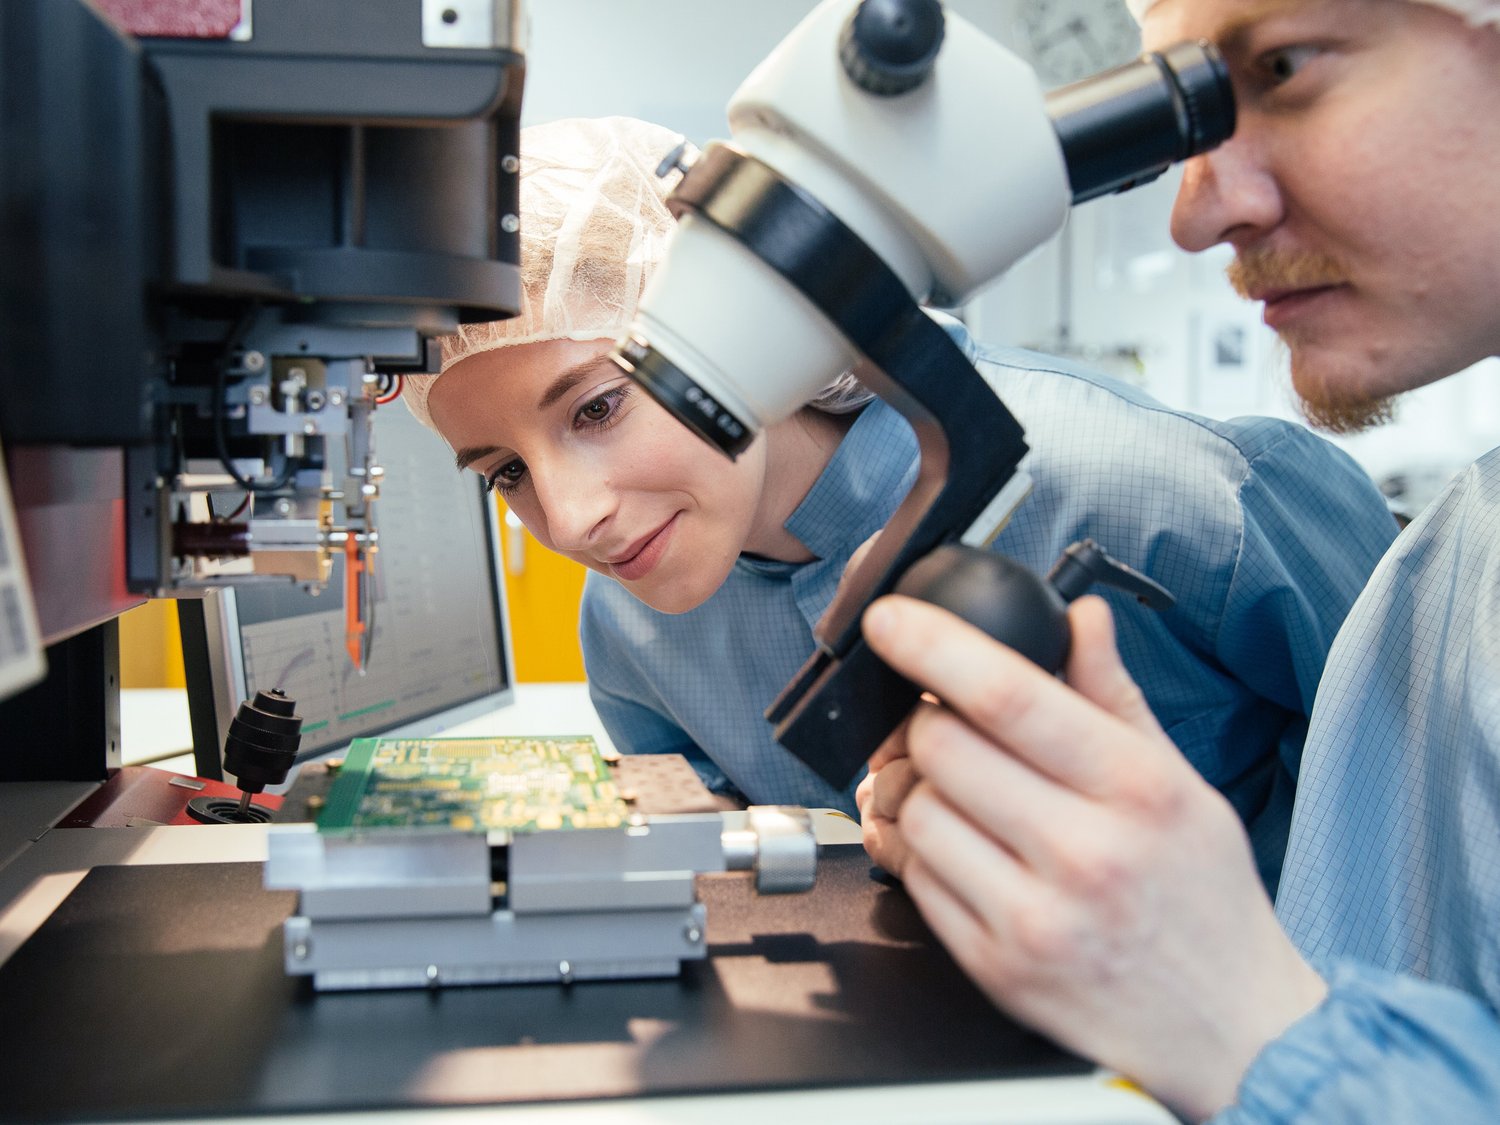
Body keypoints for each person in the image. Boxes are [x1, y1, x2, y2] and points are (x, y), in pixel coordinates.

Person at [401, 114, 1398, 892]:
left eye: (600, 407)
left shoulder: (1179, 497)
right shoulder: (632, 623)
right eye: (506, 474)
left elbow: (1433, 858)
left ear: (730, 325)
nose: (571, 520)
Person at [857, 0, 1500, 1119]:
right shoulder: (1456, 555)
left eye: (1285, 66)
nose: (1197, 217)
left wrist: (1234, 1014)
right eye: (1193, 115)